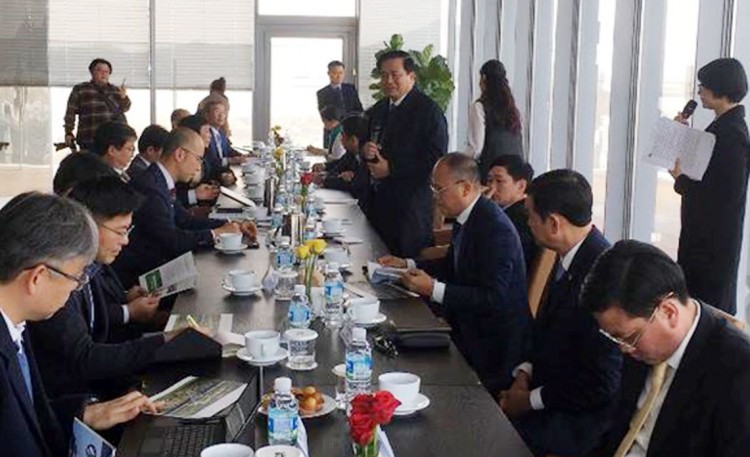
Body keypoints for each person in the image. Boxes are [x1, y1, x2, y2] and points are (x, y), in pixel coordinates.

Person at [0, 192, 159, 456]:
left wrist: (85, 413)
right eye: (76, 278)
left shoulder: (17, 323)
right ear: (37, 278)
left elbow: (26, 416)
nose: (77, 288)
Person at [581, 240, 750, 457]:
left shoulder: (737, 371)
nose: (624, 349)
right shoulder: (639, 345)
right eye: (615, 338)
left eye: (629, 337)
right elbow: (615, 432)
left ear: (668, 312)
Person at [379, 154, 529, 395]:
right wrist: (406, 264)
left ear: (465, 188)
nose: (434, 196)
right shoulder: (469, 215)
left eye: (439, 189)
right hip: (465, 325)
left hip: (490, 345)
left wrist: (433, 289)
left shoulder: (495, 228)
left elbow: (493, 298)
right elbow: (451, 265)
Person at [499, 169, 621, 457]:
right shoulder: (570, 252)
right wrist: (524, 374)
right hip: (548, 386)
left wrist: (528, 400)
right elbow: (544, 331)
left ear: (553, 223)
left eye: (530, 216)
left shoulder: (604, 277)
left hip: (579, 419)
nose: (527, 223)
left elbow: (601, 383)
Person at [28, 177, 172, 401]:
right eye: (120, 231)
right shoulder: (59, 278)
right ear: (88, 226)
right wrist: (165, 342)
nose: (125, 241)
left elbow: (98, 322)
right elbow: (82, 358)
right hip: (76, 398)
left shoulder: (93, 264)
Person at [111, 128, 255, 287]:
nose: (199, 167)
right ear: (180, 154)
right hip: (141, 277)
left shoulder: (161, 179)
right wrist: (217, 233)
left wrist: (231, 225)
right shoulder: (149, 186)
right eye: (198, 159)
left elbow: (186, 220)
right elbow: (172, 240)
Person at [670, 57, 750, 315]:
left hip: (712, 243)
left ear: (720, 88)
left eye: (703, 86)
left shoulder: (733, 134)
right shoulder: (723, 126)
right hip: (705, 237)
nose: (699, 92)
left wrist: (681, 181)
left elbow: (725, 193)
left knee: (707, 311)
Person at [362, 50, 448, 257]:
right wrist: (365, 150)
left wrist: (391, 169)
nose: (389, 81)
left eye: (395, 75)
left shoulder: (428, 111)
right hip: (378, 205)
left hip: (409, 208)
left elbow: (436, 160)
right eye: (384, 75)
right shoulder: (379, 109)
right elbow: (366, 141)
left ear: (411, 76)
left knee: (405, 266)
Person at [464, 60, 523, 179]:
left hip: (491, 174)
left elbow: (476, 149)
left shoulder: (479, 107)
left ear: (484, 78)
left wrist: (457, 161)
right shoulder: (512, 109)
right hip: (513, 176)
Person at [64, 58, 131, 152]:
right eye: (99, 70)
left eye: (107, 71)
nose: (103, 74)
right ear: (92, 72)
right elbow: (70, 112)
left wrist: (123, 97)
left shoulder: (115, 90)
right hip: (88, 138)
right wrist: (68, 132)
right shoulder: (81, 89)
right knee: (89, 161)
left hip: (112, 141)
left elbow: (125, 108)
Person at [485, 155, 539, 270]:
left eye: (499, 181)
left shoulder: (520, 219)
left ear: (521, 186)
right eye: (489, 180)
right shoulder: (504, 213)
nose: (491, 187)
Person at [313, 114, 369, 193]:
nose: (341, 140)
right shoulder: (351, 152)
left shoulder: (368, 157)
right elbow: (340, 166)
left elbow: (355, 184)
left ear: (353, 140)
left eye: (343, 136)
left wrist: (324, 180)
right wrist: (324, 167)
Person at [317, 60, 363, 147]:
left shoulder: (351, 89)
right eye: (335, 73)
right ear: (329, 73)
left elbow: (359, 110)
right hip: (331, 131)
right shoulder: (322, 93)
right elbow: (323, 114)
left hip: (350, 131)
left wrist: (339, 121)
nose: (338, 76)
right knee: (329, 153)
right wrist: (329, 123)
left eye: (341, 73)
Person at [203, 99, 245, 185]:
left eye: (223, 112)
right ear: (207, 115)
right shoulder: (205, 135)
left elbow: (229, 150)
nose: (221, 115)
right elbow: (209, 162)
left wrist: (243, 156)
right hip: (210, 180)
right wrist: (230, 160)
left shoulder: (221, 133)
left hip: (223, 176)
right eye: (217, 112)